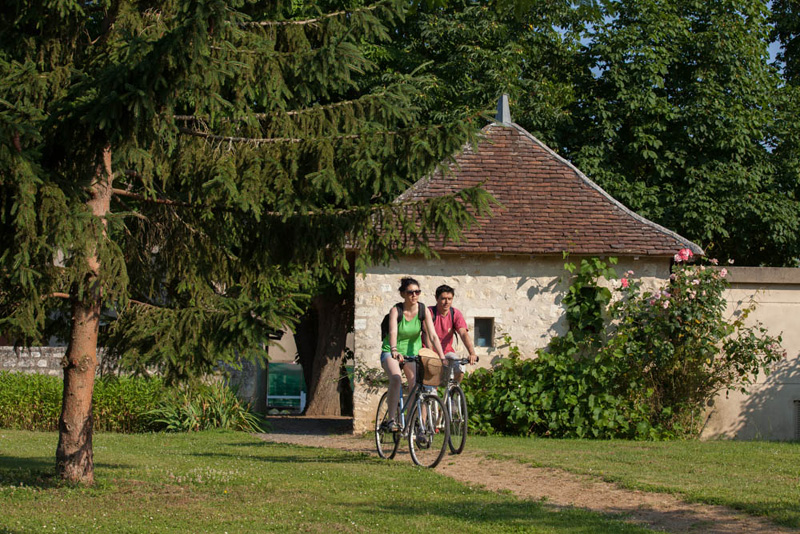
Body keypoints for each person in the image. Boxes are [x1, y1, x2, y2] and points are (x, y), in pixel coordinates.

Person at [380, 277, 446, 431]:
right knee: (396, 379)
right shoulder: (396, 310)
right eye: (410, 292)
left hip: (412, 354)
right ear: (403, 294)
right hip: (391, 352)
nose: (414, 295)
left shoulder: (423, 310)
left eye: (417, 292)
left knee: (417, 386)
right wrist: (394, 350)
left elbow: (433, 335)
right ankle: (391, 420)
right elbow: (393, 332)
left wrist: (442, 357)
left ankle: (416, 424)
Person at [426, 284, 477, 384]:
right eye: (443, 299)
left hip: (447, 351)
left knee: (460, 369)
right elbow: (427, 335)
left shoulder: (455, 313)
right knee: (431, 386)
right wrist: (431, 355)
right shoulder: (430, 313)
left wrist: (472, 353)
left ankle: (453, 394)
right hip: (429, 351)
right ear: (436, 298)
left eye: (450, 299)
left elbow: (463, 333)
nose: (447, 302)